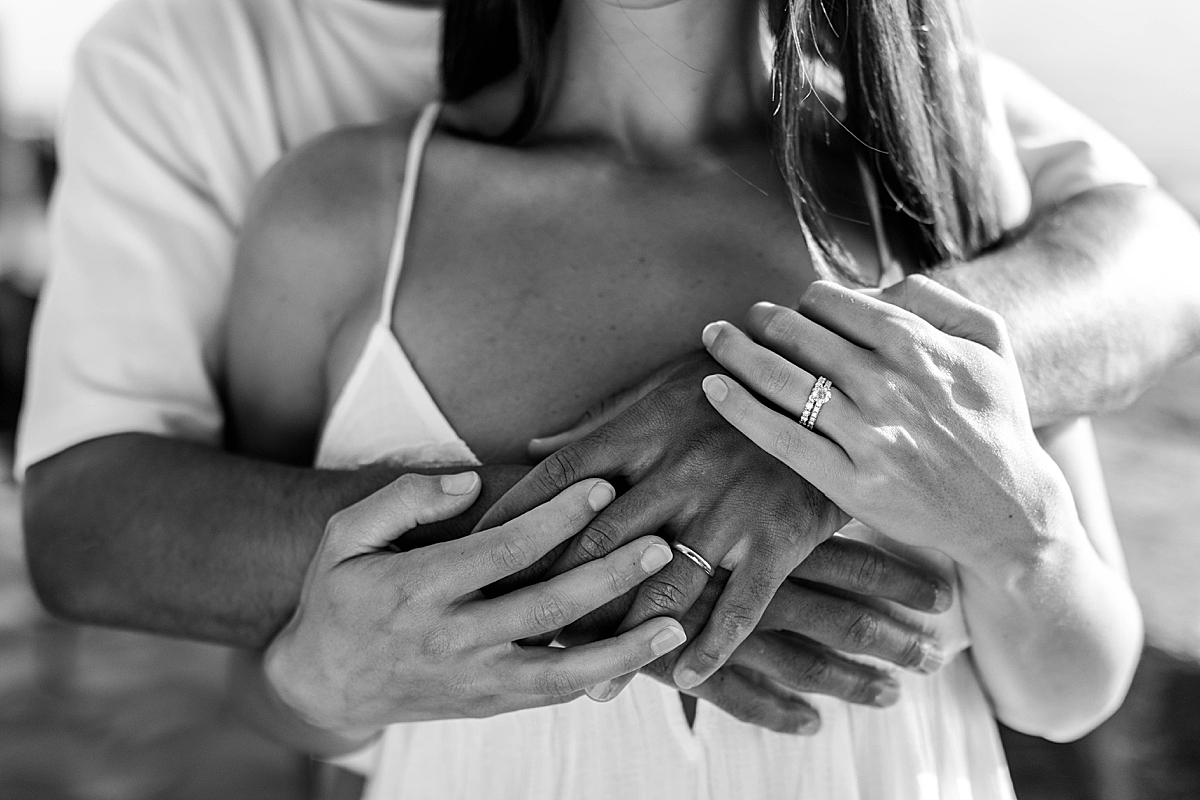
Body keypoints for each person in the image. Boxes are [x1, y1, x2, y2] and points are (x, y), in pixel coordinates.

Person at [16, 0, 1198, 760]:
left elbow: (1070, 685)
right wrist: (628, 545)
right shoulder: (336, 215)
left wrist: (1014, 534)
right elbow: (283, 705)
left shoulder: (931, 177)